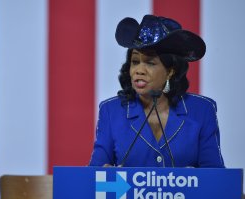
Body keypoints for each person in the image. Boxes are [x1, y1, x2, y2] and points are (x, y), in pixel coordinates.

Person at [89, 14, 224, 168]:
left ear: (170, 71)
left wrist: (197, 178)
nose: (139, 70)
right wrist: (106, 173)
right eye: (135, 62)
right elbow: (94, 174)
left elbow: (216, 178)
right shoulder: (111, 111)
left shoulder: (202, 110)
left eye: (150, 63)